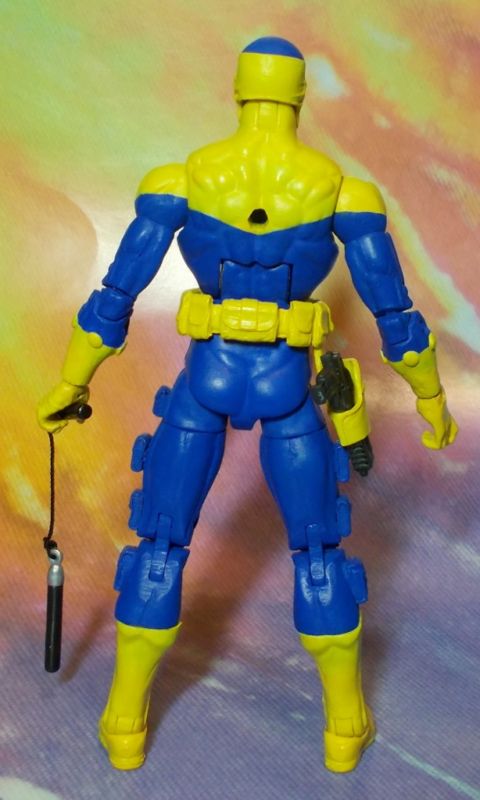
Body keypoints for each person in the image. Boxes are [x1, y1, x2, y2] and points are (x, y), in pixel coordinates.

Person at [37, 36, 457, 773]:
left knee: (159, 547)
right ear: (298, 96)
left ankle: (124, 723)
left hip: (208, 376)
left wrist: (73, 383)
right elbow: (395, 312)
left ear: (239, 91)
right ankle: (344, 728)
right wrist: (430, 398)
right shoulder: (344, 193)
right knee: (318, 553)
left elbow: (114, 295)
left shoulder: (182, 181)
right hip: (287, 382)